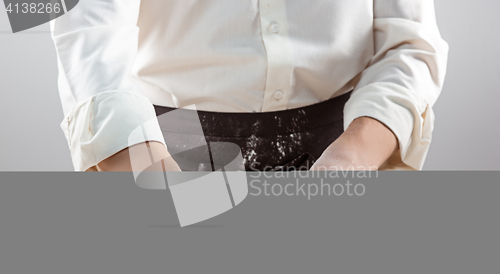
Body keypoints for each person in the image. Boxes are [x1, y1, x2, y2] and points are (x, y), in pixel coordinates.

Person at [50, 0, 448, 172]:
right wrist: (141, 168)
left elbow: (410, 42)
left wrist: (353, 157)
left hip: (347, 142)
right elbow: (87, 28)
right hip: (167, 145)